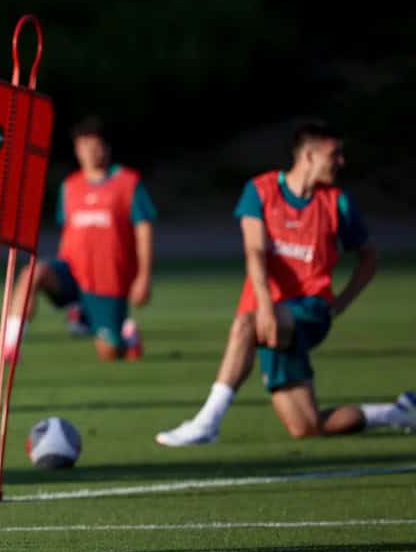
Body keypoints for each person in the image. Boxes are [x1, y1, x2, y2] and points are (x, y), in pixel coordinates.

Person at [155, 121, 414, 446]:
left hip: (309, 311)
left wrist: (342, 301)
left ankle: (207, 423)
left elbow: (369, 257)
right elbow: (255, 252)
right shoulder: (261, 191)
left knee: (244, 325)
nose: (341, 162)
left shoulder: (337, 202)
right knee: (306, 427)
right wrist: (265, 307)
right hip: (270, 315)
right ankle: (397, 413)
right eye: (334, 155)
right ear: (308, 155)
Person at [1, 117, 156, 361]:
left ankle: (127, 337)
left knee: (109, 353)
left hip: (108, 280)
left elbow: (144, 230)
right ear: (76, 150)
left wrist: (144, 277)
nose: (90, 153)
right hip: (72, 272)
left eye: (95, 146)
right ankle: (9, 347)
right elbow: (69, 233)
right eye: (83, 147)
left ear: (106, 148)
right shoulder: (70, 186)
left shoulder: (128, 183)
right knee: (32, 273)